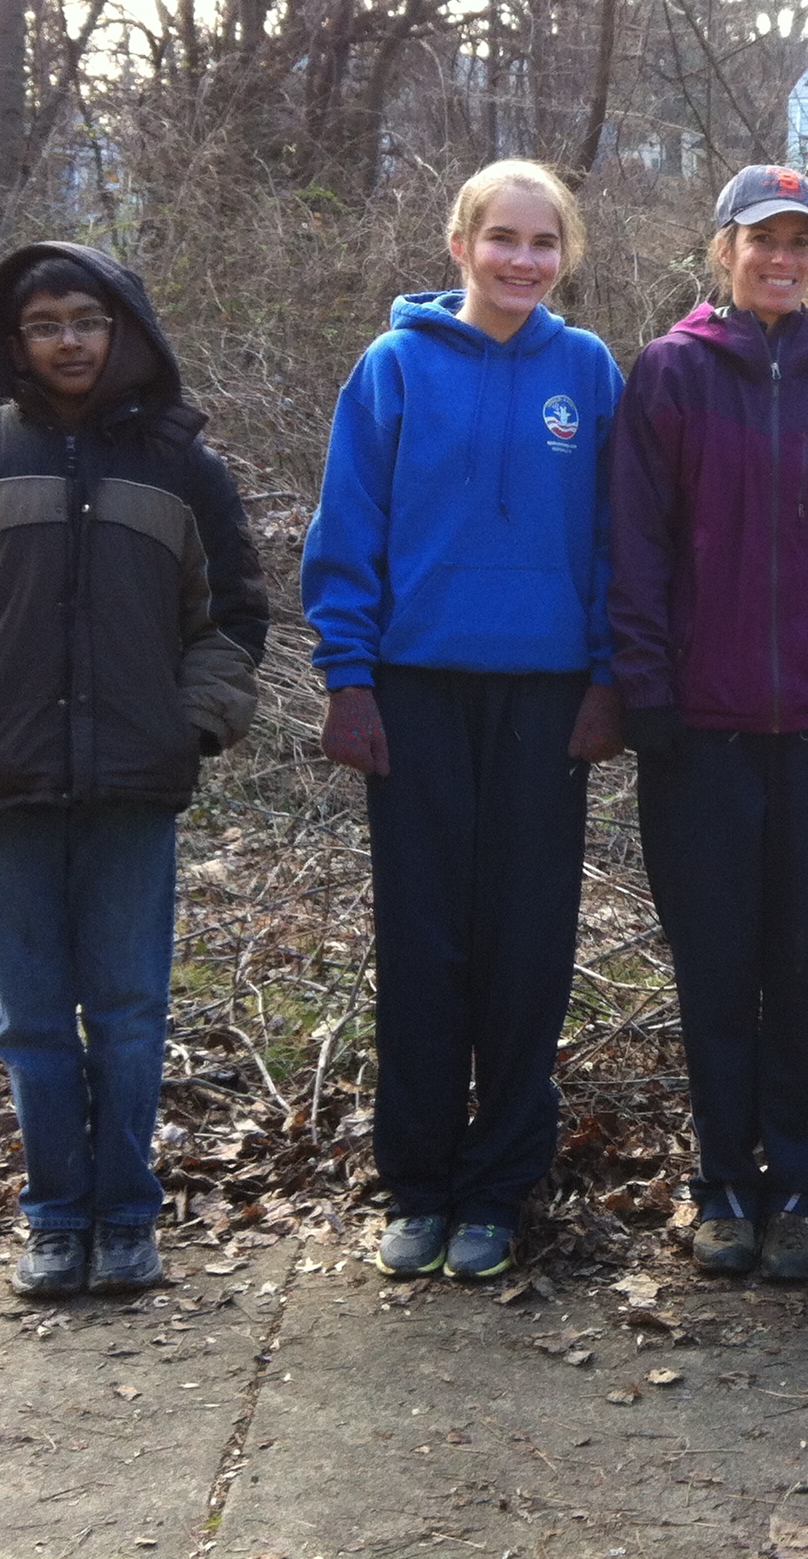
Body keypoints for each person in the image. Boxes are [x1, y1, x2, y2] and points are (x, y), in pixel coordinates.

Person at [0, 242, 269, 1299]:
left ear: (122, 327)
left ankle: (127, 1216)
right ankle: (55, 1217)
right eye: (45, 324)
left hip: (138, 783)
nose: (69, 340)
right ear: (16, 342)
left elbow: (232, 617)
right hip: (5, 784)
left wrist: (190, 728)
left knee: (131, 1009)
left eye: (86, 320)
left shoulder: (182, 467)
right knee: (32, 1017)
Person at [303, 158, 626, 1285]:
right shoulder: (394, 369)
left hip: (545, 703)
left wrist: (605, 681)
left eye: (544, 243)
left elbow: (613, 543)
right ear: (460, 246)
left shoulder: (586, 372)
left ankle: (498, 1187)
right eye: (503, 239)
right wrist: (350, 679)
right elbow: (348, 530)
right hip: (417, 694)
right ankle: (422, 1182)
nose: (522, 260)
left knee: (526, 948)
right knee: (426, 945)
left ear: (564, 255)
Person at [611, 164, 808, 1283]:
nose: (781, 258)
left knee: (802, 967)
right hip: (700, 732)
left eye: (801, 241)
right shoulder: (671, 375)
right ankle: (722, 1185)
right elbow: (635, 546)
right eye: (762, 240)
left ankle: (804, 1182)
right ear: (723, 250)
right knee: (713, 968)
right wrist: (645, 687)